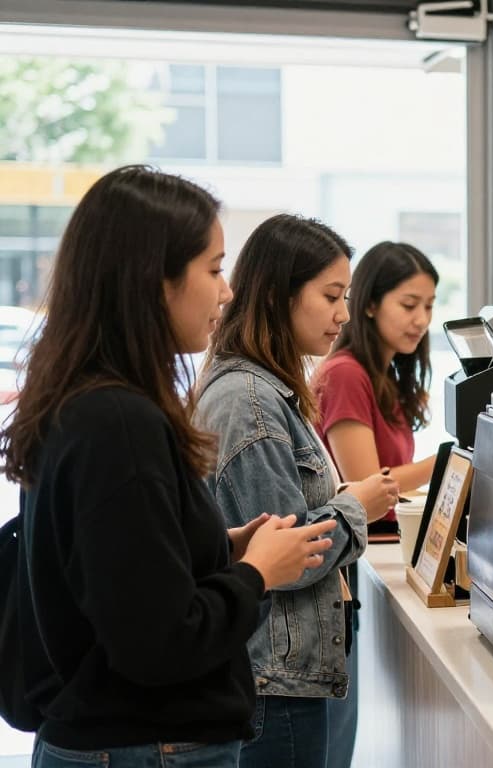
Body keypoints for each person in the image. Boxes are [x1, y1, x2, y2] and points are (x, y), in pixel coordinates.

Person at [0, 166, 338, 767]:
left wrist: (221, 550)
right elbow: (159, 642)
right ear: (154, 282)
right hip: (144, 745)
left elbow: (120, 575)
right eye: (212, 269)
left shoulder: (88, 402)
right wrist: (257, 573)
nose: (226, 291)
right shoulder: (117, 422)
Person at [196, 214, 399, 768]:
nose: (343, 314)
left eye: (347, 296)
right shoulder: (249, 402)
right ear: (279, 295)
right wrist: (356, 506)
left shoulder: (267, 391)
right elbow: (290, 551)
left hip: (285, 671)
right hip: (275, 680)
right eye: (331, 295)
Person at [311, 241, 440, 768]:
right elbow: (367, 483)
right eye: (409, 305)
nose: (421, 320)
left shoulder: (386, 375)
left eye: (430, 306)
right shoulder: (345, 374)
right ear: (369, 304)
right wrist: (453, 463)